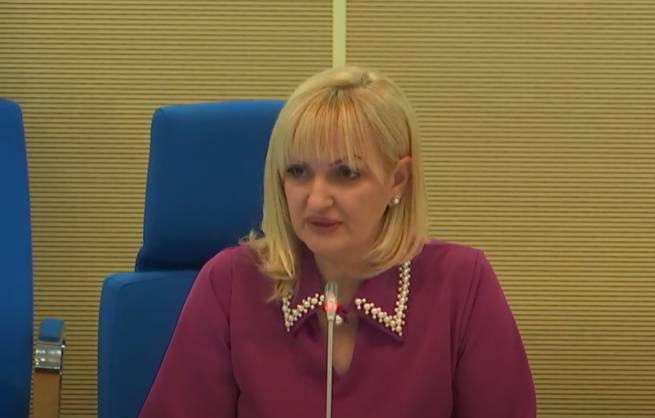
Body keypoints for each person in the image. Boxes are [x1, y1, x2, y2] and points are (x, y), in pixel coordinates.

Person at [138, 66, 536, 418]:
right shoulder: (229, 284)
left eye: (345, 173)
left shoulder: (462, 284)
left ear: (397, 180)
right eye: (297, 171)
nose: (316, 200)